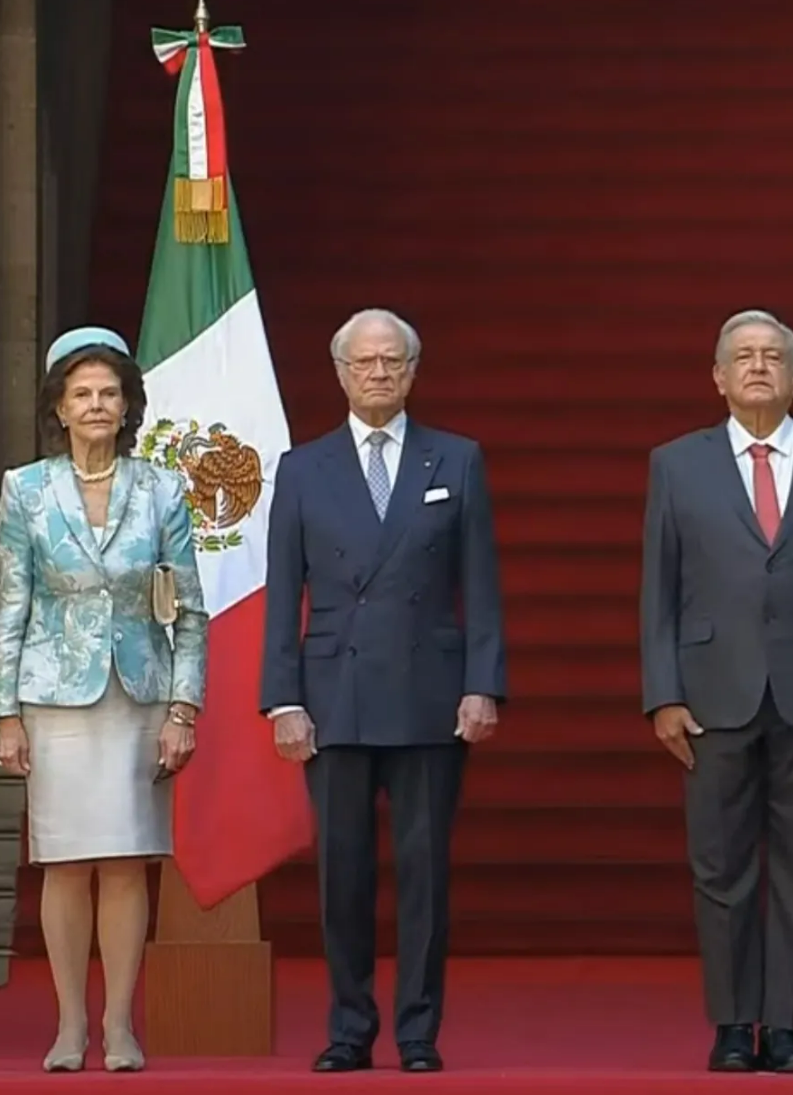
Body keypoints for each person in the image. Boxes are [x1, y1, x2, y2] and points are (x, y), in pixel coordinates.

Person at [639, 309, 793, 1073]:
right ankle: (730, 1022)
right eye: (742, 356)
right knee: (719, 868)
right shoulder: (677, 465)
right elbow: (660, 588)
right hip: (712, 697)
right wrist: (663, 693)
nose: (757, 367)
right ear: (717, 376)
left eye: (772, 356)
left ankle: (785, 1025)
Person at [260, 308, 506, 1074]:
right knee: (343, 874)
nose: (377, 373)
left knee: (425, 875)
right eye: (363, 362)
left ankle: (420, 1031)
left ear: (412, 371)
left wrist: (482, 685)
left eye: (391, 361)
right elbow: (281, 596)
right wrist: (283, 698)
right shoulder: (303, 468)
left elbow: (482, 587)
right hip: (333, 694)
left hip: (430, 694)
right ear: (338, 372)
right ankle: (349, 1026)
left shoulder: (455, 460)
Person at [0, 326, 208, 1073]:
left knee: (124, 860)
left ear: (127, 405)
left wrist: (184, 708)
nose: (95, 405)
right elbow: (11, 603)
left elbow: (189, 607)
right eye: (81, 393)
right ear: (58, 405)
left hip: (137, 694)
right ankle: (68, 1025)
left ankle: (118, 1024)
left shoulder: (161, 488)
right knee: (64, 861)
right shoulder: (24, 488)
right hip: (53, 696)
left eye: (108, 392)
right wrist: (4, 712)